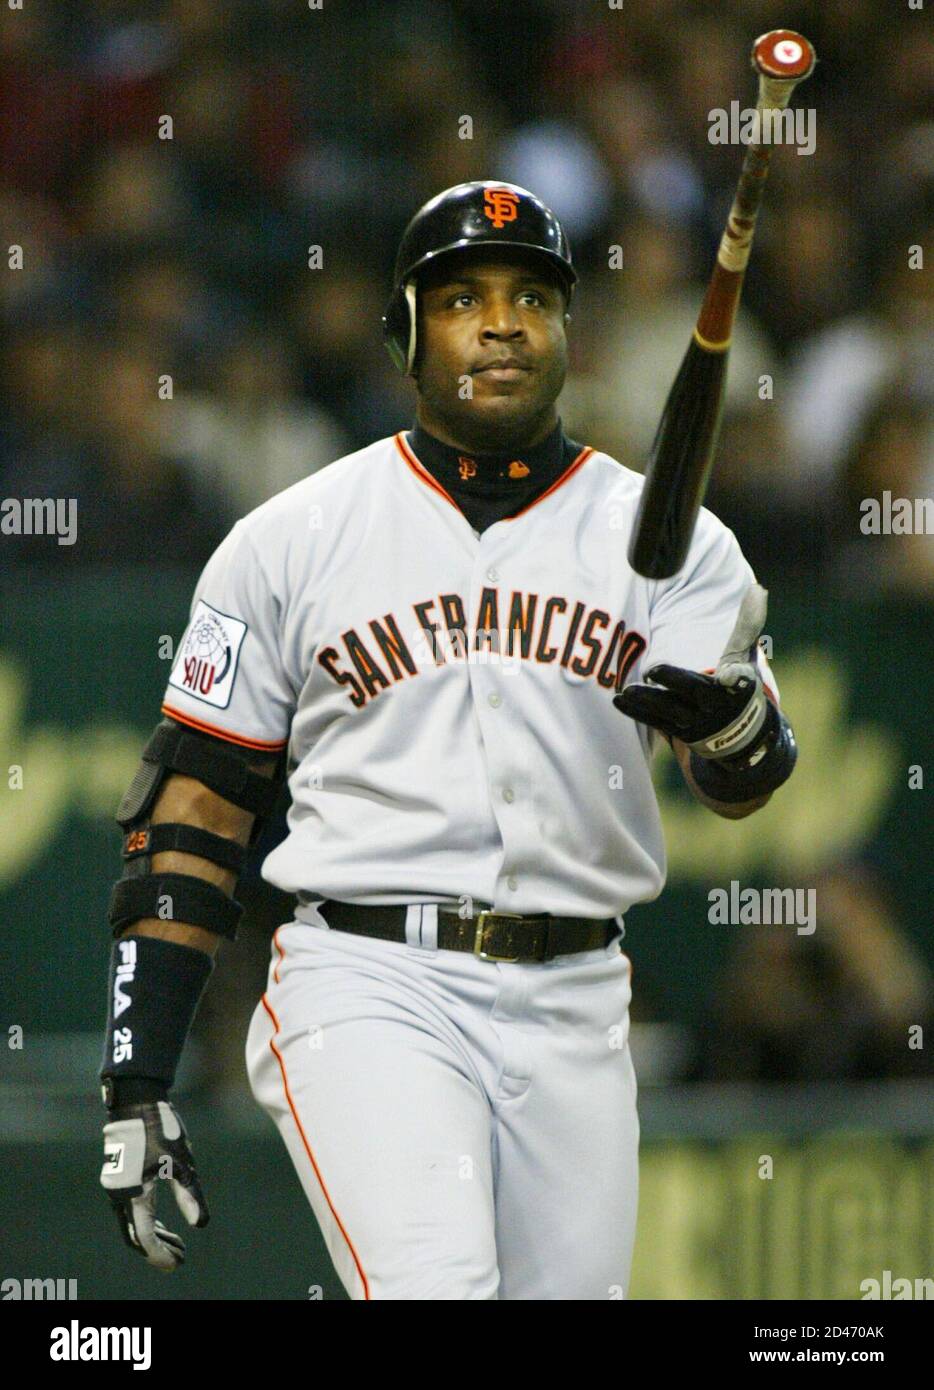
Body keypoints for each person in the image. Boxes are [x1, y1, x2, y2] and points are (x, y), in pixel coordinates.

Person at [98, 181, 797, 1300]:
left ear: (569, 331)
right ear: (404, 334)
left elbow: (745, 780)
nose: (503, 321)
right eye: (462, 296)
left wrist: (735, 726)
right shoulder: (286, 539)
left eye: (532, 296)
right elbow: (192, 810)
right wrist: (136, 1073)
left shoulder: (673, 544)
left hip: (577, 991)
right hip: (368, 978)